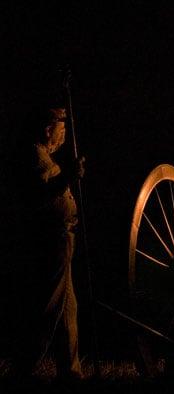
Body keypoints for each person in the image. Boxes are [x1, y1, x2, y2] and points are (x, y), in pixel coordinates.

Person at [12, 106, 86, 382]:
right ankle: (25, 366)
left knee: (68, 307)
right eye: (61, 127)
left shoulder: (42, 155)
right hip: (50, 238)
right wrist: (69, 176)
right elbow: (39, 196)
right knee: (49, 305)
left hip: (62, 237)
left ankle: (71, 371)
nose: (64, 133)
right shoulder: (33, 156)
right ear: (47, 129)